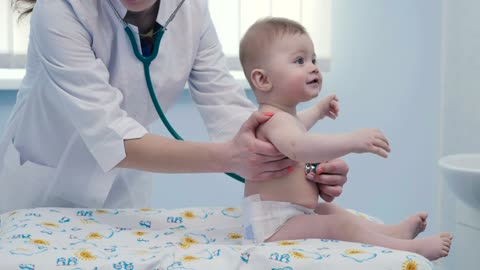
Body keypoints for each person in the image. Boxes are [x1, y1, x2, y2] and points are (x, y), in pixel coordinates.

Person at [0, 0, 349, 214]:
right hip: (42, 178)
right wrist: (230, 156)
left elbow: (229, 111)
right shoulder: (62, 9)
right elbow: (109, 135)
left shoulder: (191, 10)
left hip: (122, 186)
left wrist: (304, 164)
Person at [239, 17, 452, 261]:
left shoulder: (285, 120)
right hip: (272, 227)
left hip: (289, 215)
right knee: (337, 226)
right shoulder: (272, 120)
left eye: (313, 59)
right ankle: (409, 250)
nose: (313, 67)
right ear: (263, 80)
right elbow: (299, 148)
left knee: (330, 210)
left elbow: (298, 130)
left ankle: (391, 233)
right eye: (299, 60)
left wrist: (318, 111)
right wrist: (353, 140)